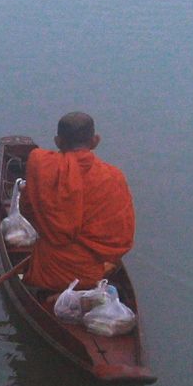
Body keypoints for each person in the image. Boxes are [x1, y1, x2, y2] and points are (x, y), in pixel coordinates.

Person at [19, 110, 134, 295]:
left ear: (58, 142)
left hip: (48, 273)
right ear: (95, 141)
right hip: (92, 275)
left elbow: (27, 208)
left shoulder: (41, 166)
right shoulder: (113, 177)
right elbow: (121, 235)